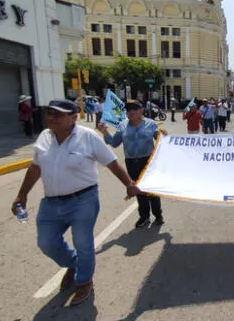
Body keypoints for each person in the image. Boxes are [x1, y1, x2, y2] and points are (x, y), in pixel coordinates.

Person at [11, 99, 139, 306]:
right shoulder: (44, 137)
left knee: (83, 243)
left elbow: (111, 162)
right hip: (51, 202)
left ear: (73, 117)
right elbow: (35, 168)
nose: (51, 117)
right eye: (49, 113)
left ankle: (84, 281)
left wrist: (129, 184)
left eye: (58, 114)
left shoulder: (88, 137)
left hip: (83, 200)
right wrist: (21, 195)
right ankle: (73, 264)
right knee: (46, 243)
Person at [97, 100, 167, 228]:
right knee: (137, 190)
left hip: (148, 162)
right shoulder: (122, 126)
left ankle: (158, 215)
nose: (131, 112)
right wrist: (104, 132)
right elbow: (114, 142)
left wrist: (164, 137)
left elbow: (161, 141)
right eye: (129, 109)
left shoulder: (151, 124)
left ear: (142, 111)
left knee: (152, 191)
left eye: (135, 109)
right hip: (131, 163)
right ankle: (144, 217)